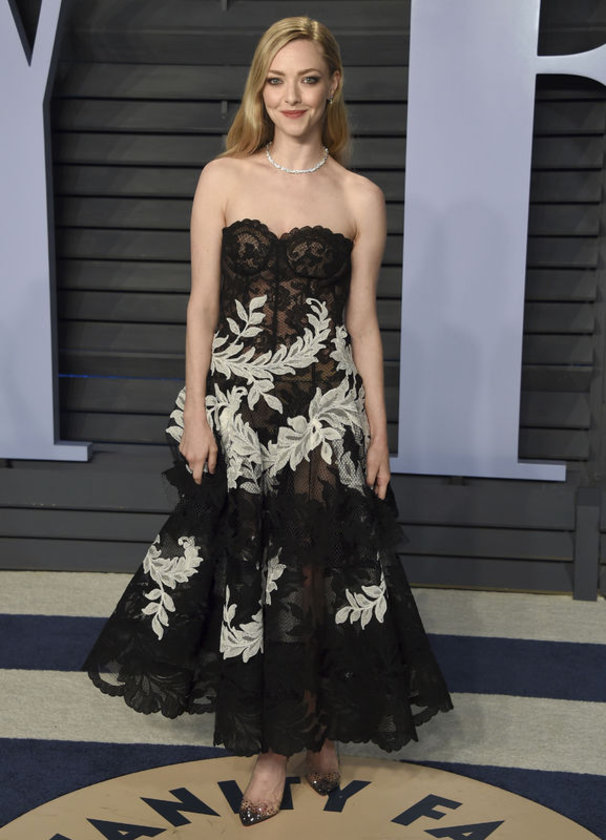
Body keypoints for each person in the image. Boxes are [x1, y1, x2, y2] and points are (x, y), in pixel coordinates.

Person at [82, 15, 453, 827]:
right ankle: (284, 743)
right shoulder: (223, 178)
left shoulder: (360, 197)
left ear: (333, 86)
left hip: (323, 414)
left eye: (308, 79)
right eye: (277, 81)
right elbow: (201, 305)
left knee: (314, 575)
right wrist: (196, 413)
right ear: (260, 89)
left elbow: (362, 324)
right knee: (248, 573)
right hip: (240, 411)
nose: (292, 96)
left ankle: (299, 738)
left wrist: (381, 432)